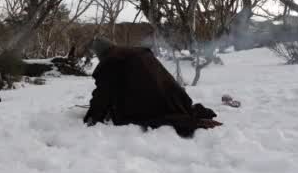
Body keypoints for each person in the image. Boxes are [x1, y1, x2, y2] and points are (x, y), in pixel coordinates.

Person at [84, 38, 222, 137]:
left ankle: (192, 122)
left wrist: (93, 115)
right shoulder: (135, 51)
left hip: (149, 102)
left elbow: (103, 92)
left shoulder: (111, 61)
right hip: (171, 94)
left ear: (100, 53)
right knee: (173, 110)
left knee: (149, 116)